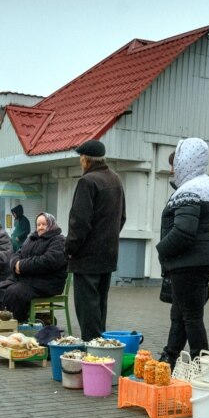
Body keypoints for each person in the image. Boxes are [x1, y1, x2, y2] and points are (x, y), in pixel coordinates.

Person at [156, 138, 209, 364]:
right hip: (198, 260)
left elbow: (183, 232)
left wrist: (161, 249)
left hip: (189, 262)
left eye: (176, 163)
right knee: (181, 313)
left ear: (187, 161)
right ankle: (169, 357)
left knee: (191, 316)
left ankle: (201, 364)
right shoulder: (204, 185)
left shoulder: (191, 189)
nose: (173, 169)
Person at [65, 139, 126, 341]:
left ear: (85, 159)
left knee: (87, 308)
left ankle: (92, 351)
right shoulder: (116, 180)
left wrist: (71, 249)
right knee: (100, 306)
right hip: (108, 256)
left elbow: (79, 222)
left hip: (86, 258)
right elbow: (122, 217)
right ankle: (101, 348)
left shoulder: (87, 182)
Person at [0, 212, 67, 322]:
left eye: (44, 224)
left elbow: (47, 261)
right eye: (38, 224)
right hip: (29, 279)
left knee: (15, 293)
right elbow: (17, 254)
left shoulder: (58, 240)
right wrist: (15, 264)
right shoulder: (31, 238)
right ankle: (2, 323)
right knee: (0, 289)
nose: (40, 227)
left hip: (47, 282)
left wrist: (21, 266)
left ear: (51, 224)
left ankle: (17, 323)